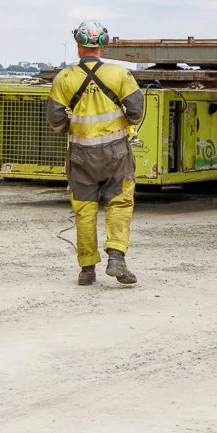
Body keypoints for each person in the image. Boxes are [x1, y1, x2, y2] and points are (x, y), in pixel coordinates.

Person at [47, 20, 145, 286]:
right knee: (119, 202)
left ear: (78, 45)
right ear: (103, 44)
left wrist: (74, 125)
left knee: (84, 209)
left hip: (80, 154)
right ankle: (116, 257)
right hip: (116, 153)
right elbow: (136, 112)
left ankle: (87, 269)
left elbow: (55, 119)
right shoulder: (120, 75)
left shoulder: (65, 77)